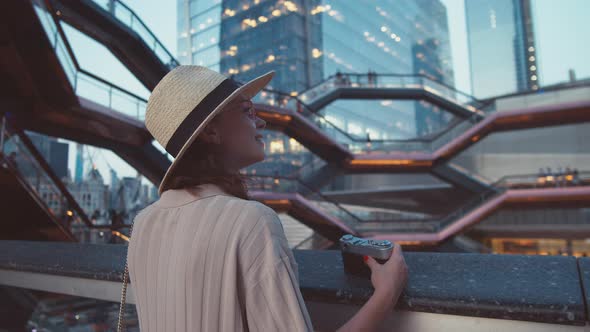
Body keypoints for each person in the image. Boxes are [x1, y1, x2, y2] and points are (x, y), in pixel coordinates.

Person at [126, 66, 408, 331]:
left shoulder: (143, 223)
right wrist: (387, 292)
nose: (261, 121)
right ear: (211, 131)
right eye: (247, 111)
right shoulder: (250, 220)